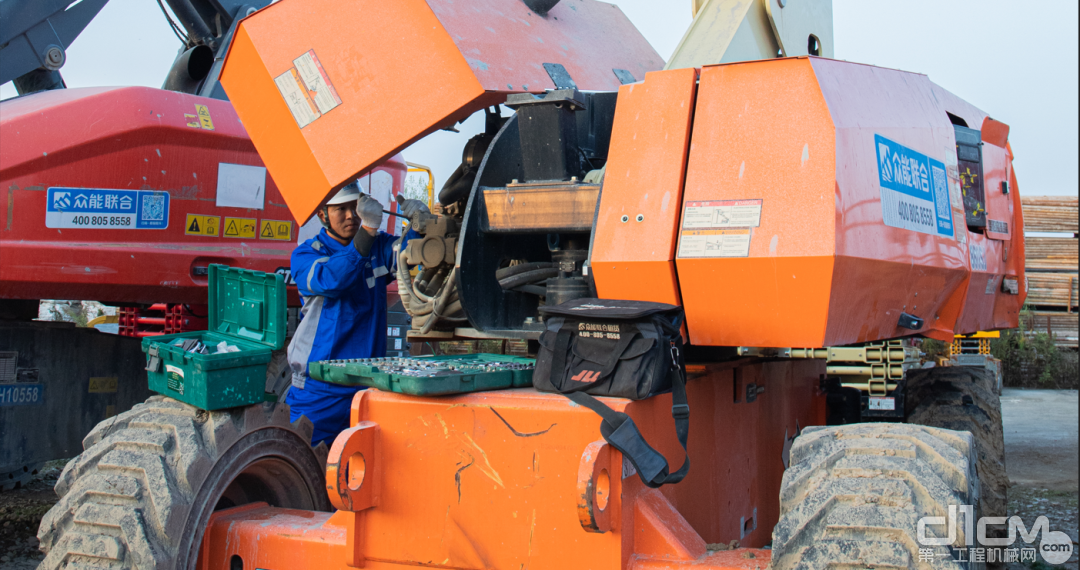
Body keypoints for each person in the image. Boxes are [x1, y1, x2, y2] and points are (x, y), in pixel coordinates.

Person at [286, 182, 428, 446]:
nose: (351, 215)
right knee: (304, 467)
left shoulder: (378, 247)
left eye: (355, 206)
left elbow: (408, 255)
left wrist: (419, 226)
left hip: (365, 389)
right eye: (341, 209)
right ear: (322, 214)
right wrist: (368, 230)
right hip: (319, 391)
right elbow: (334, 279)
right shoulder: (305, 255)